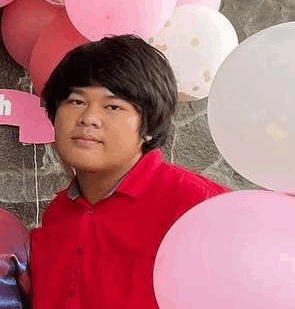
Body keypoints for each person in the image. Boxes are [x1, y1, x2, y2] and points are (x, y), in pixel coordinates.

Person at [30, 34, 231, 309]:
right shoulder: (58, 213)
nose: (89, 117)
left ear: (148, 125)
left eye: (112, 106)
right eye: (76, 101)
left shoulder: (199, 207)